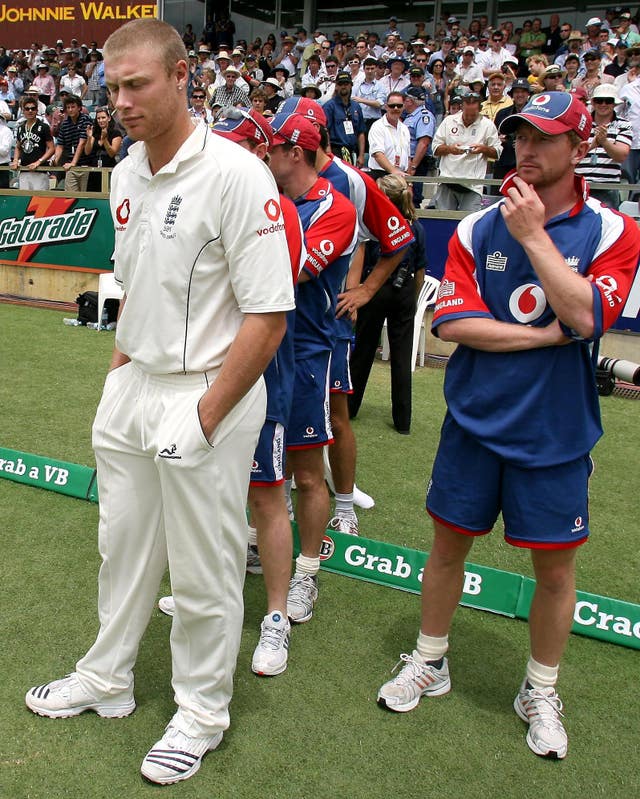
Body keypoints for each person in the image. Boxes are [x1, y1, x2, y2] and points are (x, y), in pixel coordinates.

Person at [24, 19, 295, 786]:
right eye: (111, 88)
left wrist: (205, 415)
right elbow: (137, 288)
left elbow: (268, 316)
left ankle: (202, 712)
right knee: (123, 547)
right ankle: (107, 677)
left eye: (135, 84)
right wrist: (118, 381)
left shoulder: (239, 175)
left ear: (182, 76)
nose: (121, 102)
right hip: (135, 386)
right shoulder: (127, 171)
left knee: (206, 568)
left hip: (209, 391)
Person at [377, 91, 640, 761]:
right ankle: (430, 659)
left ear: (579, 148)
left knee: (554, 572)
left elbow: (586, 318)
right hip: (474, 420)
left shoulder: (613, 231)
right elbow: (454, 325)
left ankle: (539, 688)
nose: (526, 149)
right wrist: (540, 337)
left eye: (544, 138)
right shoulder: (474, 228)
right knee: (445, 548)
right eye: (519, 136)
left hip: (556, 432)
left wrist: (532, 237)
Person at [266, 110, 358, 625]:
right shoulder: (271, 201)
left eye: (272, 149)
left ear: (293, 153)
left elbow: (290, 271)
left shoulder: (335, 206)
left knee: (304, 472)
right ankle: (261, 547)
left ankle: (306, 570)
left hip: (305, 351)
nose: (264, 157)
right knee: (256, 467)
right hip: (261, 348)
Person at [348, 173, 426, 433]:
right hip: (403, 293)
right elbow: (421, 271)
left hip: (375, 290)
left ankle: (349, 408)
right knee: (403, 358)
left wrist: (357, 293)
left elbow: (361, 258)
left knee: (363, 353)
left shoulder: (376, 223)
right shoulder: (416, 226)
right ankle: (403, 421)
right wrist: (412, 301)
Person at [432, 92, 501, 211]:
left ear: (480, 109)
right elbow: (435, 148)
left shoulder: (487, 125)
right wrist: (450, 149)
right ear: (462, 107)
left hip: (473, 186)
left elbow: (497, 152)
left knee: (468, 225)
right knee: (443, 223)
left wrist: (483, 149)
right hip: (447, 181)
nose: (469, 118)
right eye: (466, 114)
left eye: (473, 115)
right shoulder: (449, 121)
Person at [576, 84, 632, 208]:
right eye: (599, 100)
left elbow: (621, 156)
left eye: (608, 101)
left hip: (607, 187)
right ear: (594, 103)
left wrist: (604, 142)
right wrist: (593, 144)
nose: (603, 104)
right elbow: (571, 154)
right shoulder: (580, 122)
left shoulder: (624, 125)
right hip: (579, 184)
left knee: (608, 226)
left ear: (614, 104)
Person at [10, 96, 55, 190]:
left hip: (40, 170)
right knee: (25, 200)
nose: (30, 111)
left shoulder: (44, 127)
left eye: (33, 108)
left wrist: (39, 162)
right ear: (23, 111)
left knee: (40, 201)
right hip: (24, 169)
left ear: (37, 110)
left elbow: (51, 148)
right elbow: (18, 147)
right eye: (27, 109)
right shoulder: (20, 127)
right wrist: (15, 160)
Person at [323, 70, 366, 165]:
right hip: (336, 151)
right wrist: (328, 151)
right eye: (340, 84)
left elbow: (361, 132)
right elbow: (325, 130)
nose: (343, 86)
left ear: (351, 85)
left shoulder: (356, 107)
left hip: (353, 151)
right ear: (336, 86)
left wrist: (361, 155)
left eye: (346, 83)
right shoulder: (329, 106)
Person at [403, 86, 436, 206]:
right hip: (406, 160)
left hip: (416, 161)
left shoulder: (424, 116)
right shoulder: (410, 116)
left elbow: (424, 142)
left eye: (405, 99)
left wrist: (413, 166)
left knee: (413, 197)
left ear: (410, 101)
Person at [367, 91, 411, 179]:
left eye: (399, 106)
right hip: (381, 176)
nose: (395, 108)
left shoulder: (404, 128)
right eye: (392, 106)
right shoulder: (378, 126)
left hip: (401, 175)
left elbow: (408, 158)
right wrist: (394, 171)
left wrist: (409, 183)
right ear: (386, 107)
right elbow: (378, 154)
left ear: (403, 107)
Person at [53, 93, 92, 191]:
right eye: (68, 107)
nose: (70, 109)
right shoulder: (65, 124)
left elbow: (82, 143)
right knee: (70, 197)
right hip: (70, 167)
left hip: (85, 165)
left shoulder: (86, 119)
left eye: (73, 107)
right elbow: (60, 145)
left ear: (79, 107)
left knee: (85, 197)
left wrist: (74, 163)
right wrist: (55, 160)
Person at [84, 106, 123, 192]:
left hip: (109, 169)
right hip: (94, 170)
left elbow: (112, 153)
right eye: (98, 118)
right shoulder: (95, 133)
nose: (101, 120)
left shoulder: (116, 133)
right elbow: (87, 152)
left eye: (103, 118)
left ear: (109, 118)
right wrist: (89, 138)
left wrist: (105, 139)